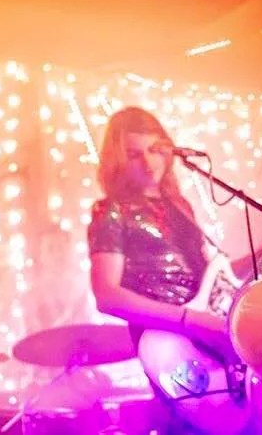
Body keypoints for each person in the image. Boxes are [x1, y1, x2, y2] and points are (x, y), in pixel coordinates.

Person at [87, 107, 240, 433]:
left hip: (205, 333)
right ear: (117, 161)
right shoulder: (112, 211)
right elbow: (106, 295)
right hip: (166, 340)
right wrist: (187, 320)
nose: (148, 161)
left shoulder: (179, 206)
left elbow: (206, 276)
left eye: (155, 149)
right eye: (133, 154)